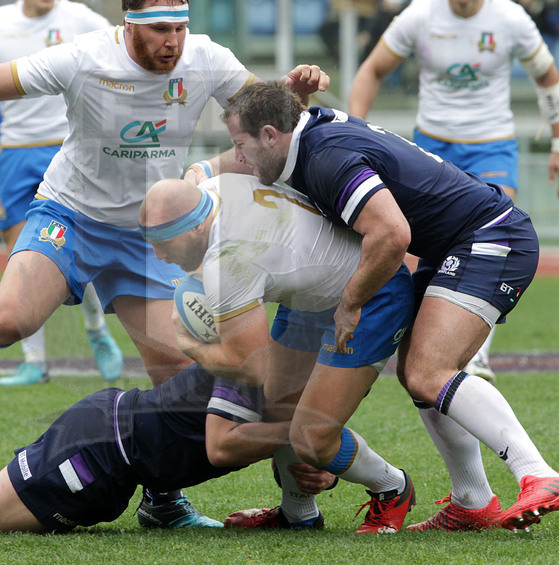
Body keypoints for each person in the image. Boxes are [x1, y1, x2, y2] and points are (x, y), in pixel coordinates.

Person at [0, 0, 329, 528]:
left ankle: (162, 500)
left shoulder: (207, 58)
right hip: (70, 214)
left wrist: (292, 97)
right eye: (158, 30)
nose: (171, 42)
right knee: (10, 322)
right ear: (130, 25)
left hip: (149, 235)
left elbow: (268, 114)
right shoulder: (84, 57)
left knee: (174, 384)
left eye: (179, 27)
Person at [210, 80, 559, 532]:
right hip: (453, 243)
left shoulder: (325, 156)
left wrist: (350, 303)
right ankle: (473, 500)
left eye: (240, 145)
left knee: (429, 371)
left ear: (272, 134)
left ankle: (538, 474)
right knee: (417, 376)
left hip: (491, 235)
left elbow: (392, 234)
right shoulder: (309, 137)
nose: (239, 157)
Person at [139, 174, 416, 533]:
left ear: (194, 229)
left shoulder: (228, 261)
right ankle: (298, 514)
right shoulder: (212, 185)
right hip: (312, 295)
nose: (158, 254)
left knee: (312, 432)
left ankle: (392, 487)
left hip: (370, 293)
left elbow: (251, 368)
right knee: (277, 409)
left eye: (163, 241)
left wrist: (189, 343)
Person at [347, 0, 559, 383]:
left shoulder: (510, 18)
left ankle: (478, 355)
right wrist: (353, 133)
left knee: (494, 239)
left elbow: (550, 80)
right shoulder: (419, 14)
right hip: (431, 151)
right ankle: (412, 342)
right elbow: (372, 70)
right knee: (428, 257)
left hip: (492, 146)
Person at [0, 363, 337, 532]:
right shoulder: (265, 366)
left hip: (106, 431)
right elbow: (222, 445)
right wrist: (307, 445)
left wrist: (309, 465)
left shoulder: (264, 347)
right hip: (100, 456)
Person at [0, 0, 123, 385]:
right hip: (14, 153)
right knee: (22, 257)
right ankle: (35, 362)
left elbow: (123, 56)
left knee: (70, 251)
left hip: (67, 149)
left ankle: (97, 331)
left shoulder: (81, 19)